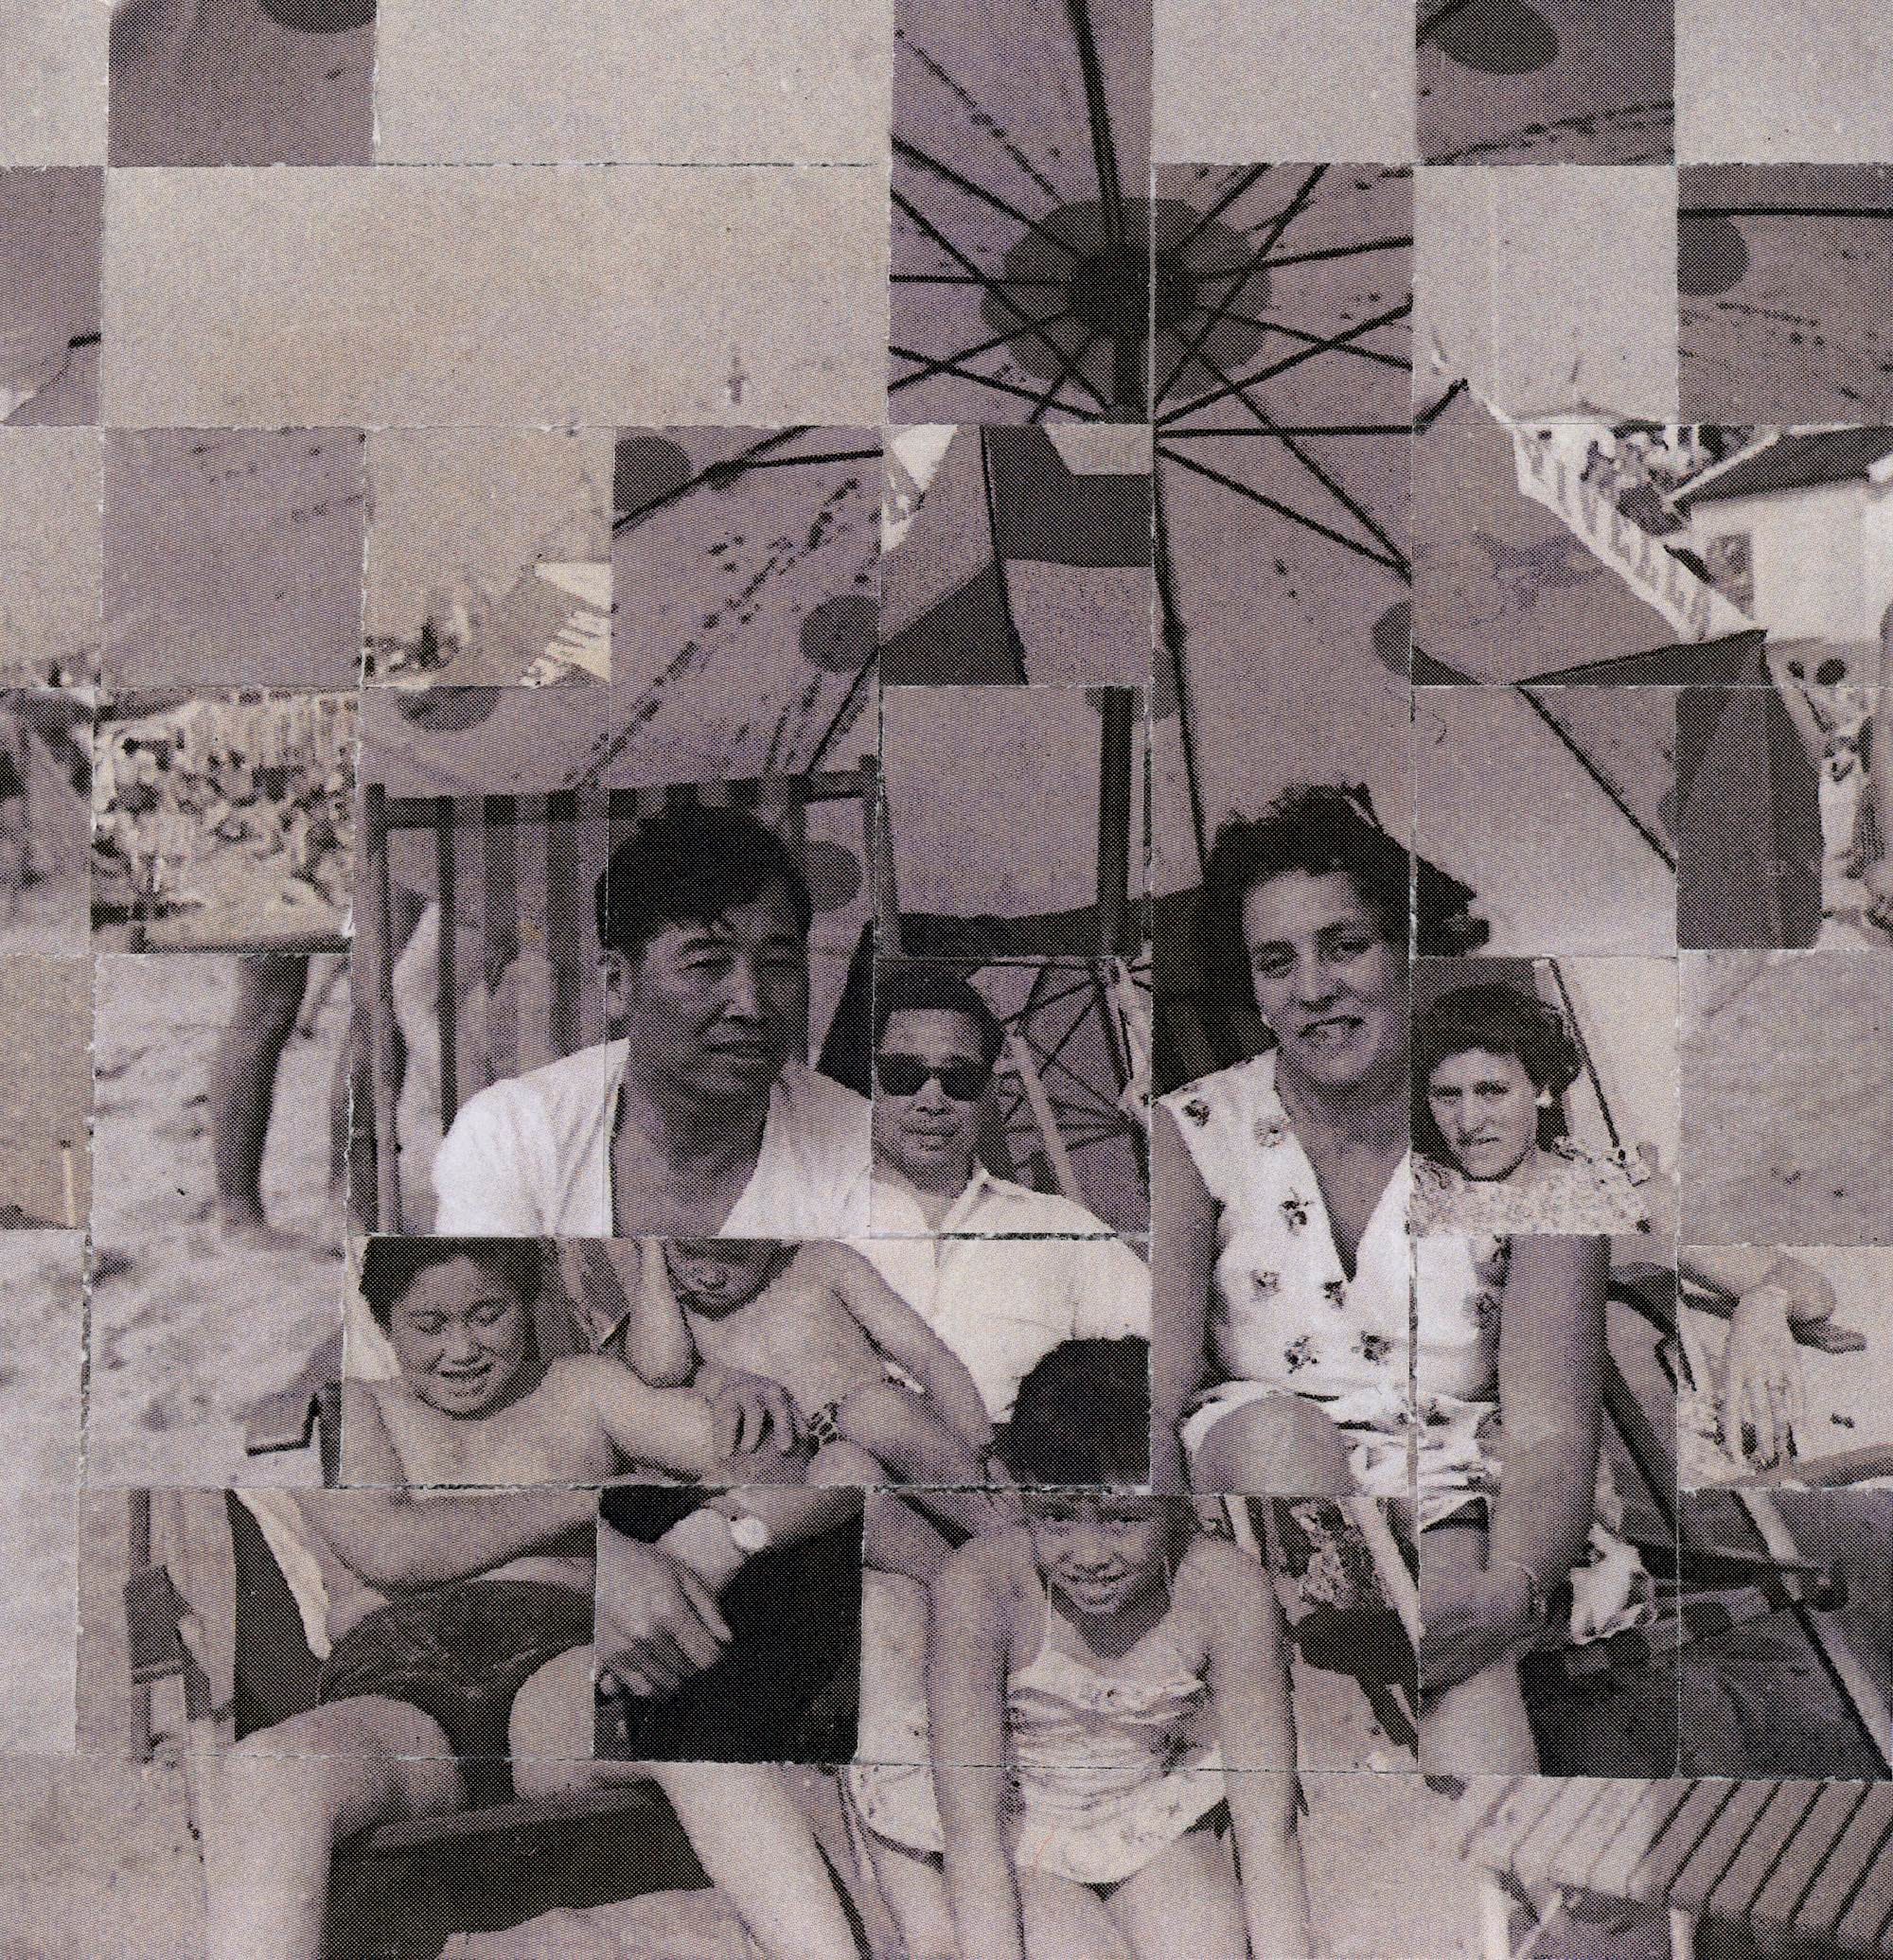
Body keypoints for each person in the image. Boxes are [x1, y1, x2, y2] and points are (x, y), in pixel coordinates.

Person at [200, 1236, 861, 1960]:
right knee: (266, 1773)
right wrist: (591, 1502)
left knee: (687, 1732)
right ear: (386, 1325)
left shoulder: (581, 1389)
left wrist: (717, 1387)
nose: (461, 1350)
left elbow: (781, 1461)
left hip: (555, 1670)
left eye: (488, 1314)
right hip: (396, 1700)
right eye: (428, 1325)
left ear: (529, 1304)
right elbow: (396, 1547)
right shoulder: (350, 1411)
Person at [1151, 785, 1608, 1772]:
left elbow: (1551, 1426)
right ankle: (1364, 1719)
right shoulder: (1194, 1132)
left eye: (1343, 944)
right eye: (1276, 961)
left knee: (1454, 1590)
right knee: (1282, 1436)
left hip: (1452, 1491)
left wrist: (1504, 1595)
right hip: (1257, 1480)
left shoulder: (1528, 1159)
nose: (1312, 986)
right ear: (1252, 985)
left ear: (1405, 947)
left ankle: (1490, 1890)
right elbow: (1157, 1390)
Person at [849, 1338, 1312, 1960]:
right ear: (1019, 1492)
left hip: (1141, 1804)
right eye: (1058, 1517)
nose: (1091, 1557)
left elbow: (1267, 1829)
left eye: (1124, 1519)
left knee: (1208, 1943)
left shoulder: (1225, 1587)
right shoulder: (983, 1584)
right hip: (1010, 1817)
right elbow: (974, 1833)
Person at [432, 804, 870, 1237]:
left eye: (778, 963)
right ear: (618, 983)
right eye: (706, 964)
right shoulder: (513, 1134)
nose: (750, 1005)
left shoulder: (860, 1144)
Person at [862, 962, 1150, 1421]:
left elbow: (1158, 1357)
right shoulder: (809, 1217)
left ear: (987, 1090)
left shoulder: (1060, 1226)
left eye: (960, 1080)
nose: (932, 1101)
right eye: (904, 1075)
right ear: (869, 1084)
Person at [627, 1236, 1013, 1565]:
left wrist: (979, 1445)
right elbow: (659, 1370)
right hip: (811, 1465)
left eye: (733, 1256)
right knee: (841, 1467)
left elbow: (927, 1356)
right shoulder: (675, 1312)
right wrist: (653, 1257)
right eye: (686, 1253)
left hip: (892, 1430)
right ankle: (959, 1578)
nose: (708, 1275)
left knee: (873, 1412)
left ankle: (1011, 1537)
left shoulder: (820, 1262)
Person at [1408, 980, 1654, 1234]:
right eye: (1447, 1096)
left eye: (1492, 1092)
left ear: (1543, 1089)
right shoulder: (1411, 1192)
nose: (1469, 1122)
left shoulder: (1608, 1183)